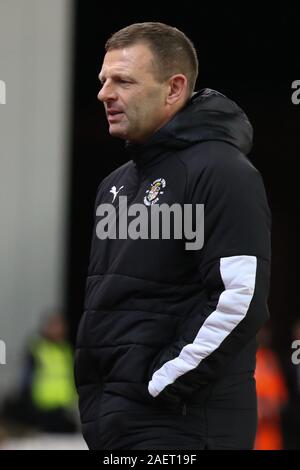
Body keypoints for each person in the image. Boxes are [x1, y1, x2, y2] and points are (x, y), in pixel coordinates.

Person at [74, 22, 271, 450]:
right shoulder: (115, 184)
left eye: (123, 81)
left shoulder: (223, 172)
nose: (104, 94)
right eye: (104, 80)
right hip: (114, 423)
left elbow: (238, 298)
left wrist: (160, 385)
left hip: (181, 426)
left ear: (174, 88)